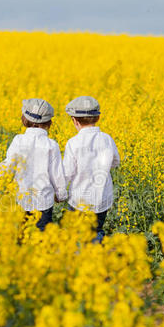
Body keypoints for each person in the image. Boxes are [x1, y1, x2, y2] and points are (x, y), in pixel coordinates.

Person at [0, 98, 67, 231]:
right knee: (41, 238)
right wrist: (61, 194)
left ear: (24, 118)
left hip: (21, 200)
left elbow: (8, 166)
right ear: (49, 122)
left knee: (21, 236)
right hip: (43, 203)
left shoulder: (18, 141)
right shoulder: (51, 145)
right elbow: (57, 173)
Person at [63, 96, 120, 243]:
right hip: (101, 199)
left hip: (79, 200)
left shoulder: (73, 143)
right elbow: (115, 161)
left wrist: (59, 192)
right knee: (97, 230)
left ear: (75, 121)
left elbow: (67, 173)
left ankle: (79, 259)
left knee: (75, 234)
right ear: (98, 117)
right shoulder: (107, 139)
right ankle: (96, 257)